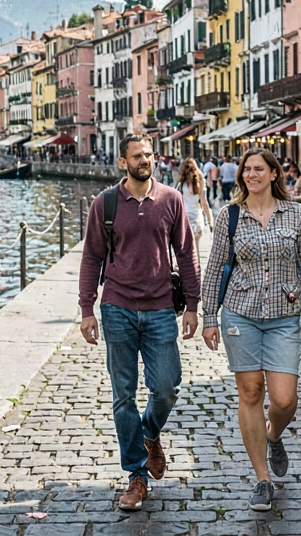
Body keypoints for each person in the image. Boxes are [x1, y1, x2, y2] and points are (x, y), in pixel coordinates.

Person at [78, 134, 202, 512]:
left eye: (148, 154)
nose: (145, 160)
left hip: (161, 307)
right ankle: (136, 475)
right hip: (117, 307)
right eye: (137, 156)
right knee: (123, 396)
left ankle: (149, 433)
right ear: (123, 162)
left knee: (167, 386)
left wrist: (194, 305)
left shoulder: (171, 199)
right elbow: (91, 257)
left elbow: (186, 251)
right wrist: (87, 309)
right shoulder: (106, 203)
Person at [201, 148, 301, 511]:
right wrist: (210, 316)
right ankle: (262, 479)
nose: (251, 175)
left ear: (274, 174)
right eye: (246, 170)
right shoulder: (230, 215)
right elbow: (215, 268)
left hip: (284, 315)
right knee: (252, 391)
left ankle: (274, 435)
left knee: (285, 399)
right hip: (240, 314)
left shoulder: (295, 214)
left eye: (259, 169)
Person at [178, 157, 214, 240]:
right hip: (197, 216)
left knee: (186, 247)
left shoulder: (181, 184)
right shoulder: (200, 181)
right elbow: (204, 202)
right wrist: (210, 220)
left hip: (184, 217)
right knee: (196, 248)